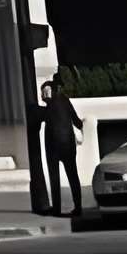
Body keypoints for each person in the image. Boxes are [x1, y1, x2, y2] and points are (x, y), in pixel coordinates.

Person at [36, 79, 84, 217]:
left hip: (53, 148)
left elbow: (40, 117)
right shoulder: (64, 100)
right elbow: (76, 120)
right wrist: (81, 127)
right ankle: (78, 207)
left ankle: (56, 209)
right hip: (68, 146)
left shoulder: (49, 106)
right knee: (73, 176)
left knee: (55, 178)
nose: (43, 95)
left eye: (44, 92)